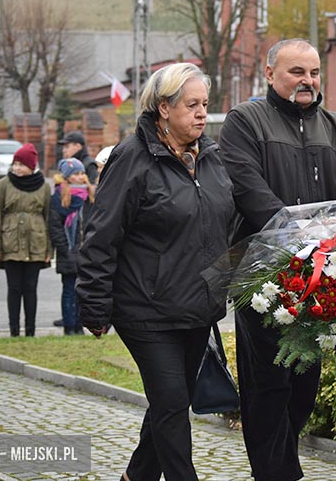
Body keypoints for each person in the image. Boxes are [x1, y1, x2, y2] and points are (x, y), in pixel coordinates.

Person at [217, 38, 336, 481]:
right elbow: (246, 185)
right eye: (296, 72)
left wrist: (335, 229)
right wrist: (296, 233)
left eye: (313, 73)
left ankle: (280, 466)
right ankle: (279, 474)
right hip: (264, 275)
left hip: (326, 274)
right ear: (270, 74)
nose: (307, 81)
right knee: (267, 383)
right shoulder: (245, 121)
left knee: (305, 385)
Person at [76, 62, 235, 481]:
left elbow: (225, 225)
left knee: (172, 401)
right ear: (164, 108)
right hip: (145, 308)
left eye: (205, 104)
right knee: (169, 402)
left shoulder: (212, 158)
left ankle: (136, 476)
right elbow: (100, 236)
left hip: (196, 306)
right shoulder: (133, 158)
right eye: (192, 105)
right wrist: (94, 305)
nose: (202, 113)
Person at [0, 143, 52, 337]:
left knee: (31, 289)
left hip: (36, 244)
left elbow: (49, 218)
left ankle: (31, 331)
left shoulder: (43, 186)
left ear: (31, 166)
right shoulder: (4, 184)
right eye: (15, 163)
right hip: (11, 244)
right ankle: (14, 331)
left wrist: (49, 251)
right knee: (14, 289)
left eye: (21, 164)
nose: (17, 168)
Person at [48, 158, 95, 336]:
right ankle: (69, 327)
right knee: (68, 290)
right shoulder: (59, 197)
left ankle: (79, 325)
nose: (81, 177)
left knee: (81, 292)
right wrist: (65, 250)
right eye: (76, 174)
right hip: (68, 251)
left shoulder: (89, 195)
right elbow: (55, 226)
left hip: (86, 251)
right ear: (67, 177)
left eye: (82, 173)